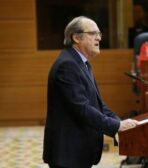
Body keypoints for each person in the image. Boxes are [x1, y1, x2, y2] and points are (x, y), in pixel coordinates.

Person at [43, 16, 139, 168]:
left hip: (78, 151)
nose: (99, 38)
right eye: (93, 33)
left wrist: (118, 123)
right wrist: (115, 126)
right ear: (76, 37)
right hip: (68, 153)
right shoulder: (67, 65)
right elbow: (82, 108)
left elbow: (96, 102)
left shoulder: (81, 63)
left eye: (99, 33)